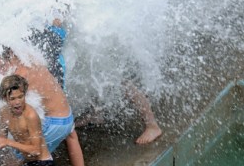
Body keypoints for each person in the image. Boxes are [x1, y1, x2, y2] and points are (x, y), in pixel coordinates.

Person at [0, 43, 108, 166]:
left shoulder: (19, 79)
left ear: (7, 60)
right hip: (66, 118)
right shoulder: (28, 59)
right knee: (71, 135)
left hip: (56, 124)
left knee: (11, 162)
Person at [29, 18, 162, 145]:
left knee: (118, 81)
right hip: (85, 38)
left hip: (100, 36)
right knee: (91, 73)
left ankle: (152, 125)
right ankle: (96, 113)